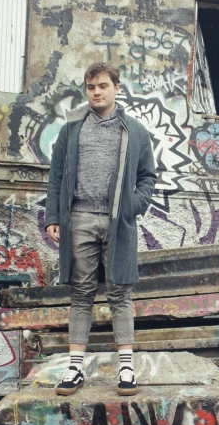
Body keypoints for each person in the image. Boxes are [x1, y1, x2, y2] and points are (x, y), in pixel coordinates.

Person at [44, 62, 156, 396]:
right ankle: (74, 370)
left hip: (116, 222)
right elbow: (56, 176)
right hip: (78, 218)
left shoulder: (134, 131)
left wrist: (131, 208)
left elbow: (147, 177)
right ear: (86, 90)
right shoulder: (72, 128)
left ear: (116, 88)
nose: (97, 92)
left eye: (103, 86)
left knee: (120, 291)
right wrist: (53, 217)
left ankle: (126, 370)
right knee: (81, 293)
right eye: (91, 87)